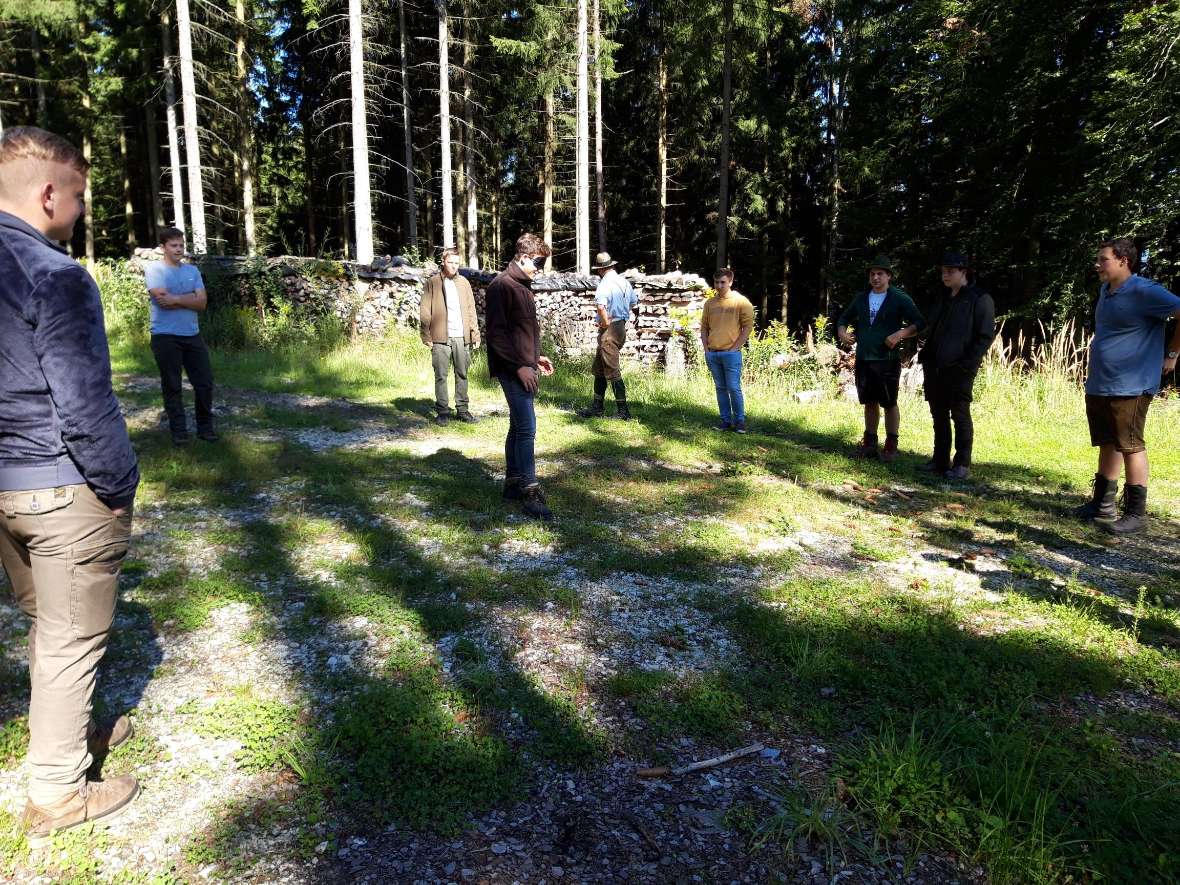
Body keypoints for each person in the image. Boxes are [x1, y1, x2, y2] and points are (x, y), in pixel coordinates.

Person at [0, 126, 141, 846]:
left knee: (46, 626)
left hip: (4, 487)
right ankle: (57, 790)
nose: (82, 210)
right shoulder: (53, 273)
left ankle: (64, 731)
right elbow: (84, 400)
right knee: (70, 635)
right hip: (59, 485)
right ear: (49, 192)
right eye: (80, 196)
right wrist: (119, 484)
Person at [1074, 238, 1180, 534]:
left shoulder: (1145, 291)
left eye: (1103, 259)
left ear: (1124, 261)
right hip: (1102, 381)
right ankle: (1102, 504)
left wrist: (1172, 353)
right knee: (1108, 441)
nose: (1097, 264)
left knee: (1131, 445)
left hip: (1131, 384)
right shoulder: (1105, 291)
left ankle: (1136, 514)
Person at [485, 233, 556, 520]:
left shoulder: (523, 286)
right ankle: (530, 491)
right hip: (511, 368)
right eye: (538, 262)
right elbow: (498, 335)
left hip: (523, 364)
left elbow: (521, 331)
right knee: (527, 427)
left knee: (517, 426)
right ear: (523, 257)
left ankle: (513, 484)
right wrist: (519, 366)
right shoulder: (501, 286)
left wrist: (534, 358)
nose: (540, 268)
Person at [916, 252, 996, 480]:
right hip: (935, 364)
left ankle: (962, 463)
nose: (945, 276)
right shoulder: (942, 296)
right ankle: (940, 460)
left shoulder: (980, 299)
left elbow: (984, 337)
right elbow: (930, 324)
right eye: (942, 271)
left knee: (959, 413)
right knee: (938, 413)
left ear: (964, 272)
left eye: (950, 271)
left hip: (960, 367)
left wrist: (967, 364)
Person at [837, 256, 923, 461]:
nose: (876, 278)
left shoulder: (899, 298)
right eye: (872, 274)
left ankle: (891, 447)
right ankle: (869, 445)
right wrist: (842, 332)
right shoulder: (861, 298)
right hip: (864, 358)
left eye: (880, 274)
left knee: (889, 403)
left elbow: (920, 322)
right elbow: (843, 318)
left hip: (887, 359)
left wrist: (900, 334)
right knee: (869, 402)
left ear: (889, 276)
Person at [145, 227, 217, 445]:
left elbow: (202, 303)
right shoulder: (154, 269)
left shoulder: (192, 272)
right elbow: (161, 300)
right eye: (174, 245)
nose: (179, 250)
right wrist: (188, 298)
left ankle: (205, 428)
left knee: (204, 382)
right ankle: (179, 431)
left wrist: (176, 299)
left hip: (192, 335)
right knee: (172, 384)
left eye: (181, 245)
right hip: (165, 335)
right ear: (163, 248)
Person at [420, 248, 481, 426]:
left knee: (462, 373)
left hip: (461, 337)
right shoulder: (432, 283)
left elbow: (471, 310)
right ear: (443, 262)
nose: (454, 266)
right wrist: (426, 334)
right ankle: (443, 411)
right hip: (440, 338)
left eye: (456, 263)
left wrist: (474, 334)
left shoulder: (464, 283)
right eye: (450, 262)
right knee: (441, 375)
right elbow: (425, 310)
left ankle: (462, 410)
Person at [579, 251, 638, 420]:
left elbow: (601, 307)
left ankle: (623, 412)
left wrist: (605, 323)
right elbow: (634, 302)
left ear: (600, 269)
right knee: (600, 370)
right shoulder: (624, 282)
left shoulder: (604, 284)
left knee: (612, 371)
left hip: (610, 330)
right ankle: (597, 408)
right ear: (612, 265)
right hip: (620, 327)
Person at [700, 267, 754, 433]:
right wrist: (706, 349)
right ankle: (725, 421)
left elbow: (748, 326)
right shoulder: (710, 303)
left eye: (723, 282)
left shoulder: (741, 301)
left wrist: (735, 348)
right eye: (716, 282)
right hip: (713, 353)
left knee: (733, 387)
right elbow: (704, 327)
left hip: (731, 354)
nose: (719, 285)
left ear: (730, 281)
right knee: (720, 388)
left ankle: (740, 422)